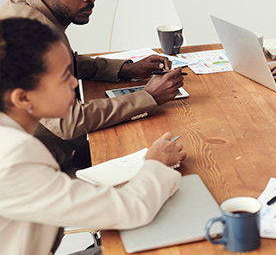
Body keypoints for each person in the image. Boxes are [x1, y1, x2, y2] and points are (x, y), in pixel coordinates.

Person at [0, 18, 187, 255]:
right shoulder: (14, 157)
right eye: (63, 76)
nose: (73, 83)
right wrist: (157, 162)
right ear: (23, 98)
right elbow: (130, 209)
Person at [0, 0, 184, 166]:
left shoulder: (28, 9)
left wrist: (126, 69)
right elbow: (68, 122)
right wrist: (147, 97)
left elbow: (66, 63)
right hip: (54, 165)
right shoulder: (27, 33)